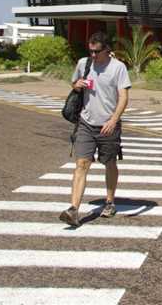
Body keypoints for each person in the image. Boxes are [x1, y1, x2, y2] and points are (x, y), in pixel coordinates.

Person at [60, 32, 131, 227]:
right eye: (90, 51)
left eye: (96, 51)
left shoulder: (118, 68)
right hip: (85, 123)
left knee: (109, 163)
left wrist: (114, 120)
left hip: (109, 125)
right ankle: (73, 209)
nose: (92, 55)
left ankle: (109, 201)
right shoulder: (84, 64)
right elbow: (73, 83)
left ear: (107, 50)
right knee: (81, 163)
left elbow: (123, 97)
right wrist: (77, 86)